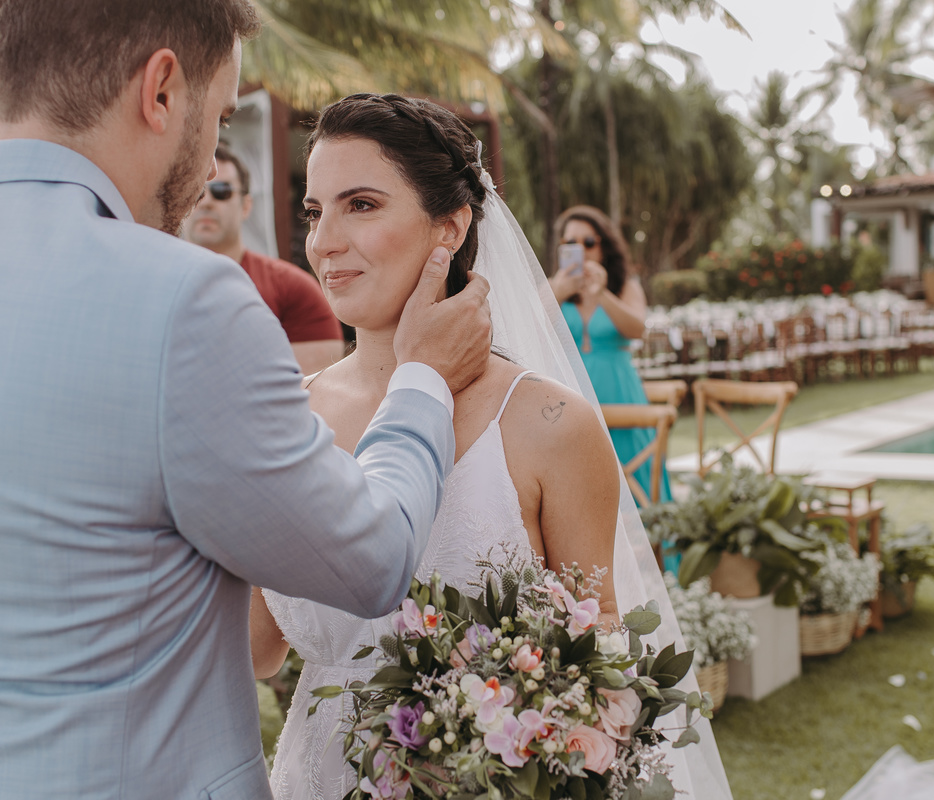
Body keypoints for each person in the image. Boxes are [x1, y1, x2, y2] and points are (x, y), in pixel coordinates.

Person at [0, 3, 495, 799]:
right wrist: (424, 378)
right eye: (218, 114)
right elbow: (369, 562)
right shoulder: (185, 302)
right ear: (162, 90)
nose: (204, 172)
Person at [249, 94, 732, 800]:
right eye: (315, 211)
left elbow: (598, 664)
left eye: (360, 204)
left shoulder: (549, 424)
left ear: (450, 227)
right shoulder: (285, 414)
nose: (322, 242)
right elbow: (258, 651)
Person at [182, 143, 345, 374]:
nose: (207, 202)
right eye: (197, 192)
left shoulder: (294, 289)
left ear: (246, 206)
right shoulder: (153, 284)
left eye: (222, 191)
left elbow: (309, 391)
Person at [549, 205, 671, 504]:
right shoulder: (555, 287)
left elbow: (636, 328)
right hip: (572, 393)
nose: (580, 249)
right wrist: (562, 289)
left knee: (637, 474)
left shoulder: (625, 286)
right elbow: (527, 324)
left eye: (588, 242)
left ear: (605, 246)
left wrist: (601, 292)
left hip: (619, 390)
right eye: (570, 243)